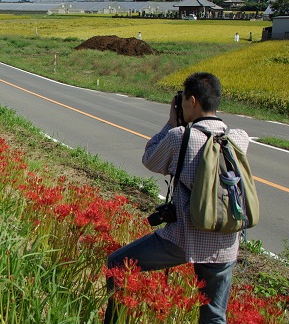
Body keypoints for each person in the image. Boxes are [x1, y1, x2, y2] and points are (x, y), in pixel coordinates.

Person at [104, 72, 249, 324]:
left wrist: (171, 123)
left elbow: (150, 158)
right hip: (225, 241)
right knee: (215, 316)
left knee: (118, 264)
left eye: (182, 101)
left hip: (183, 238)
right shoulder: (239, 139)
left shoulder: (180, 137)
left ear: (192, 101)